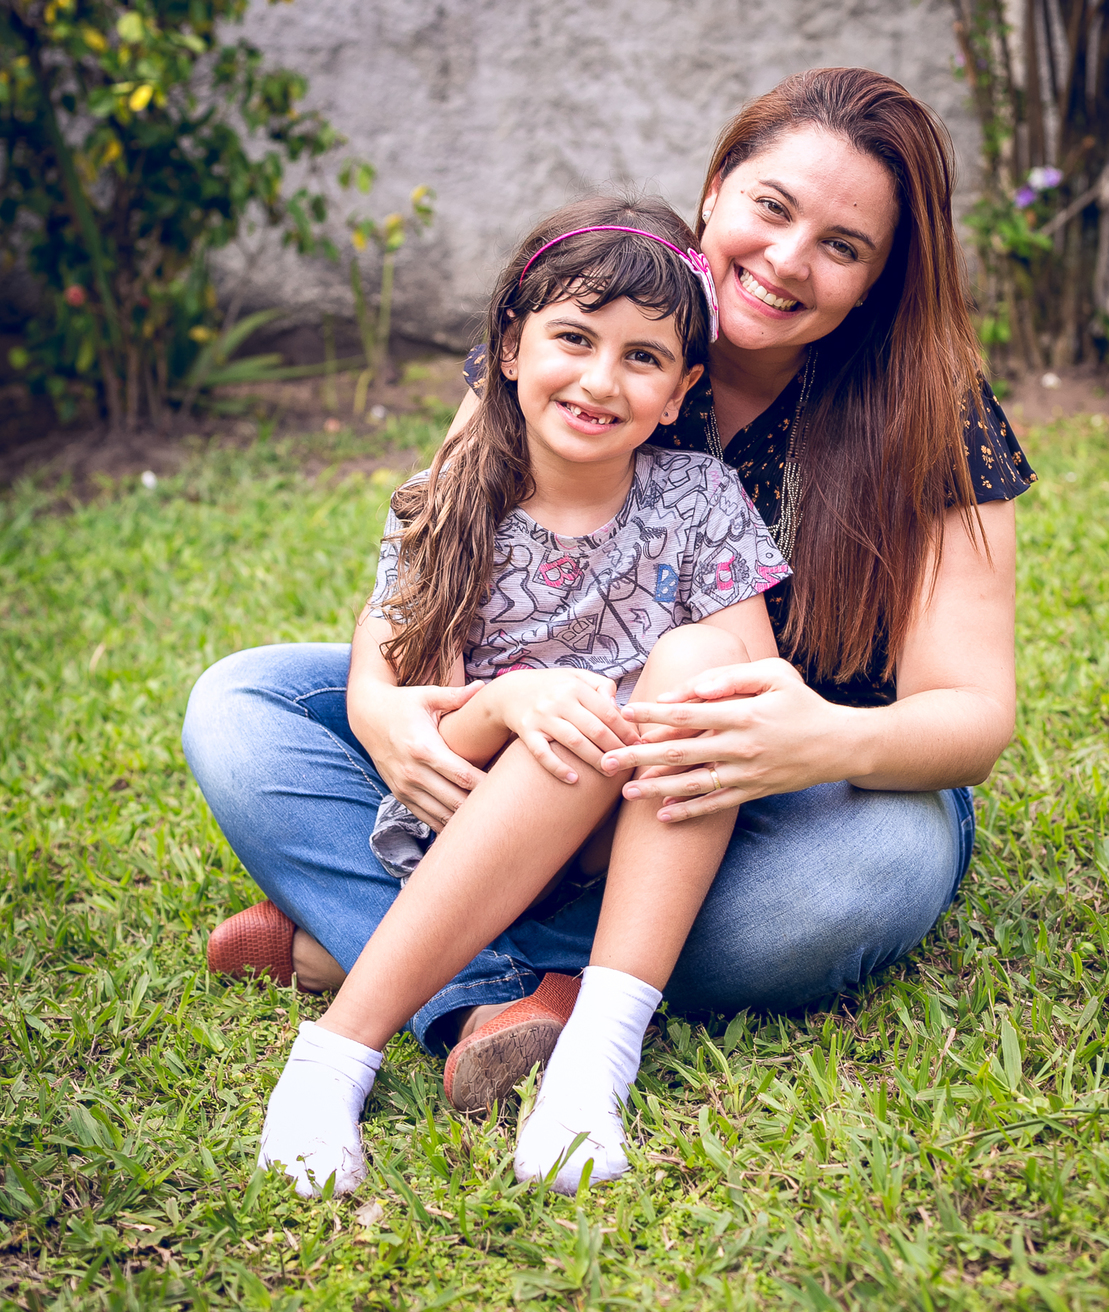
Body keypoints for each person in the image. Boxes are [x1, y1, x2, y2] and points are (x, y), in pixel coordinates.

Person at [183, 66, 1034, 1181]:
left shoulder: (933, 413)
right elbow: (431, 565)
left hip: (761, 795)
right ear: (717, 188)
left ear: (881, 277)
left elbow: (972, 716)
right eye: (772, 207)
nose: (787, 259)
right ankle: (502, 979)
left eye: (842, 245)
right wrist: (382, 708)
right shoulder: (588, 302)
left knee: (879, 867)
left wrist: (822, 738)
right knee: (239, 704)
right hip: (524, 741)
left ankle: (389, 945)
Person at [244, 197, 792, 1195]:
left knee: (689, 669)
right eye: (573, 338)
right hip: (473, 830)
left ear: (681, 390)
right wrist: (511, 704)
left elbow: (743, 697)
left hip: (644, 838)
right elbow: (425, 746)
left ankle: (589, 1063)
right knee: (252, 717)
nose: (600, 379)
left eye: (642, 357)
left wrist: (617, 713)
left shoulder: (701, 498)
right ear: (507, 347)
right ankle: (333, 1056)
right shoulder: (450, 504)